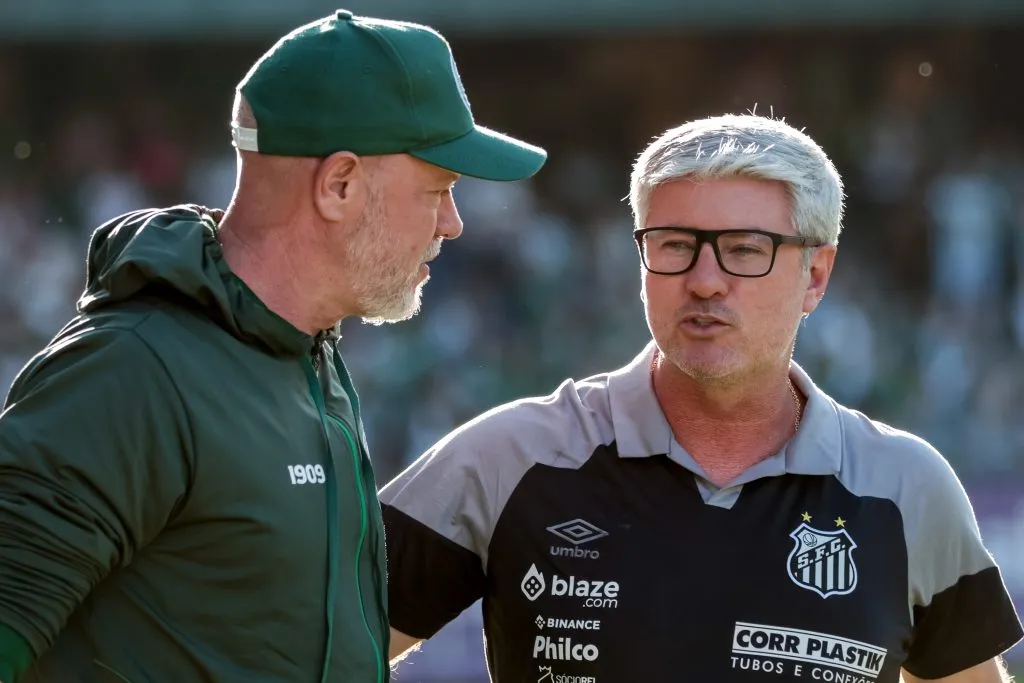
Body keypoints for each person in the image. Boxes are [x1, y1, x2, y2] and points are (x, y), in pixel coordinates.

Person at [0, 9, 546, 683]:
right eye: (437, 191)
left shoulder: (310, 358)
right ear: (340, 184)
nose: (454, 223)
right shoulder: (131, 372)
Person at [380, 114, 1023, 682]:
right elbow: (304, 649)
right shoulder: (510, 456)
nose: (705, 282)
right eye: (676, 246)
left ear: (816, 275)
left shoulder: (907, 487)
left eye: (745, 250)